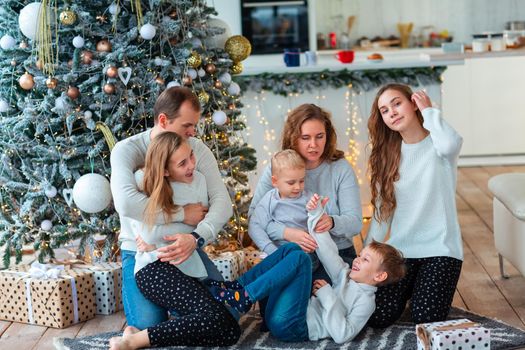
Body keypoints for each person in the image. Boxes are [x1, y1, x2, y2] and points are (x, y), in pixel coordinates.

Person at [110, 87, 233, 330]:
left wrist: (196, 237)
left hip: (186, 248)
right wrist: (181, 213)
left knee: (229, 313)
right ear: (164, 120)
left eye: (194, 126)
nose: (192, 132)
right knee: (148, 324)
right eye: (187, 125)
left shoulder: (196, 149)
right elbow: (126, 204)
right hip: (141, 253)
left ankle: (190, 315)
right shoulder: (127, 150)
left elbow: (222, 201)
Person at [210, 193, 405, 344]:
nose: (357, 260)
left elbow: (343, 335)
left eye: (365, 260)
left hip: (294, 327)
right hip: (279, 316)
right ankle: (238, 287)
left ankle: (244, 296)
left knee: (301, 259)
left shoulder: (366, 302)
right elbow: (327, 250)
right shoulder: (345, 274)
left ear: (379, 275)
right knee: (292, 249)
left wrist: (328, 295)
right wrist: (316, 214)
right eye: (360, 255)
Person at [364, 83, 464, 327]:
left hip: (441, 250)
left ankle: (420, 290)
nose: (392, 112)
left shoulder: (439, 146)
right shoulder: (387, 155)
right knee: (378, 317)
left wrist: (429, 111)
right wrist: (368, 253)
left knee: (425, 318)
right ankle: (413, 288)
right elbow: (382, 212)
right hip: (401, 252)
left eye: (397, 103)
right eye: (385, 110)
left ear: (413, 104)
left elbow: (452, 143)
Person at [249, 103, 362, 282]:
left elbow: (355, 223)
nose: (313, 145)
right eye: (305, 137)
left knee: (319, 297)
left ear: (328, 136)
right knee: (277, 297)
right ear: (293, 138)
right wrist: (287, 233)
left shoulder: (340, 168)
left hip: (336, 254)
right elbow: (254, 218)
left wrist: (332, 222)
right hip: (288, 254)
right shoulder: (279, 167)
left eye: (319, 136)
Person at [249, 149, 322, 272]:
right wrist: (271, 250)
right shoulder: (269, 200)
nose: (298, 187)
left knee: (294, 269)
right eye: (291, 182)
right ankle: (242, 289)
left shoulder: (309, 198)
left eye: (301, 181)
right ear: (274, 181)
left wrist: (317, 209)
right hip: (276, 252)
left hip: (304, 255)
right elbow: (254, 225)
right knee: (262, 271)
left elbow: (319, 221)